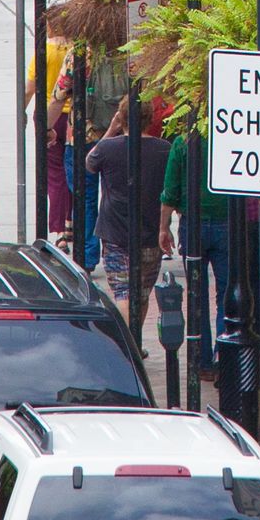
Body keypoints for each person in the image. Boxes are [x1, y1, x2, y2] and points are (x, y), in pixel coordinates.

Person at [84, 98, 172, 369]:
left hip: (114, 230)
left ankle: (124, 347)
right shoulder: (164, 149)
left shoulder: (108, 148)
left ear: (120, 118)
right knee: (141, 292)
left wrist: (111, 130)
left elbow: (89, 163)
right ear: (150, 119)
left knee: (123, 292)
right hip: (150, 229)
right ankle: (133, 342)